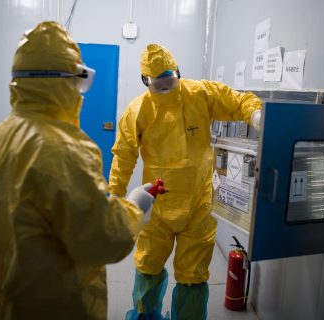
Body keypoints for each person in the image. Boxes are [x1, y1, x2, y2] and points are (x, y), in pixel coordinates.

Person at [0, 21, 154, 320]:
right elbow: (101, 240)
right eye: (79, 82)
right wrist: (135, 208)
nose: (80, 93)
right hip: (48, 304)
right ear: (63, 81)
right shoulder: (65, 151)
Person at [109, 43, 262, 320]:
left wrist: (255, 114)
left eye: (171, 81)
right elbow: (123, 154)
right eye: (159, 85)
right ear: (146, 82)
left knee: (193, 275)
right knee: (148, 266)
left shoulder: (199, 94)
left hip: (197, 205)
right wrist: (115, 193)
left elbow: (235, 100)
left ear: (178, 73)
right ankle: (146, 315)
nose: (166, 89)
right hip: (157, 204)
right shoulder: (137, 111)